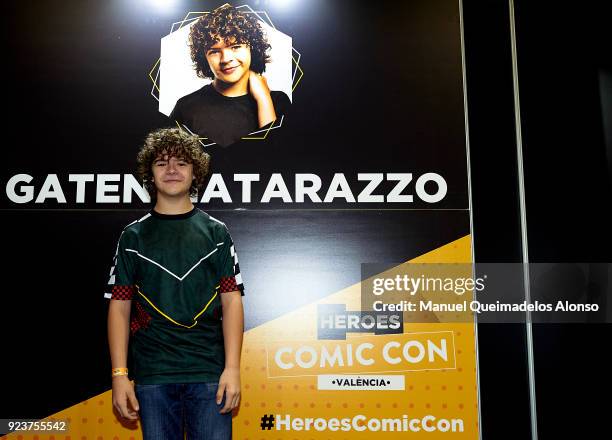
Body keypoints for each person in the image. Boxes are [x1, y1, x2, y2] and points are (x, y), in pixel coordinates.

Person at [105, 128, 244, 440]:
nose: (171, 170)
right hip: (153, 375)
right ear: (149, 174)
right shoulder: (133, 237)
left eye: (181, 163)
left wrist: (232, 369)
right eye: (161, 163)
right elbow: (120, 306)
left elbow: (231, 300)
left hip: (209, 374)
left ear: (195, 172)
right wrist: (119, 375)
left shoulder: (216, 233)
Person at [170, 4, 291, 147]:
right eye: (214, 51)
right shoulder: (186, 107)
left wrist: (263, 99)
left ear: (252, 48)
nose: (226, 59)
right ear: (204, 58)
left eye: (235, 46)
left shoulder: (278, 102)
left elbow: (279, 153)